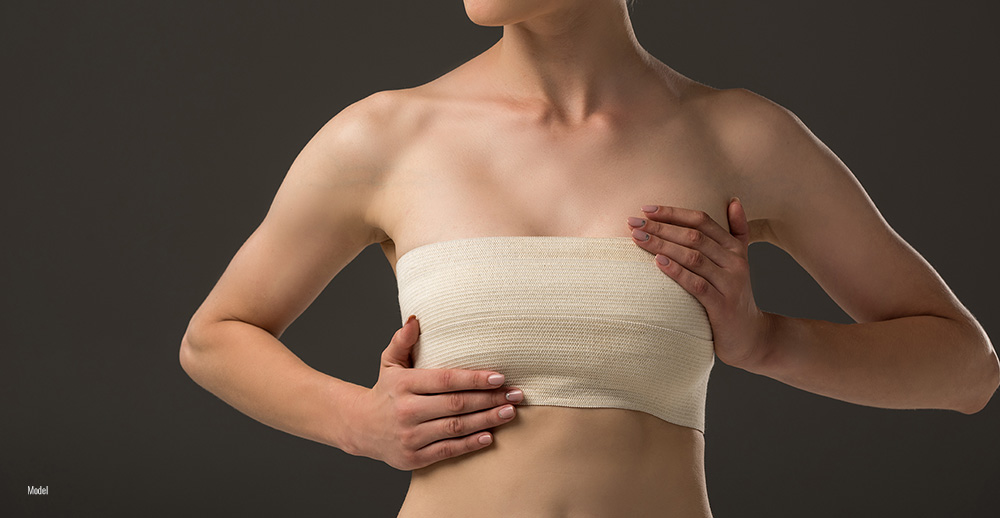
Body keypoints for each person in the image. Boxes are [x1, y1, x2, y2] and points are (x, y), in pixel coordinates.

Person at [178, 0, 999, 516]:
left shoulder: (737, 137)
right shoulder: (388, 136)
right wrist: (356, 423)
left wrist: (769, 341)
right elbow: (215, 336)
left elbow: (967, 371)